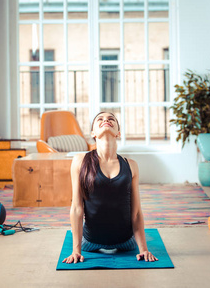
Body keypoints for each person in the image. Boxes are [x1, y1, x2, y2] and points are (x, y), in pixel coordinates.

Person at [62, 112, 158, 264]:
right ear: (93, 133)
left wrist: (143, 249)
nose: (105, 120)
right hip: (90, 242)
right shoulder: (80, 161)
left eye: (111, 119)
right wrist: (76, 251)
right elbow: (76, 208)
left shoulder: (131, 165)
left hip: (126, 242)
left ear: (118, 133)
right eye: (100, 119)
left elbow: (137, 212)